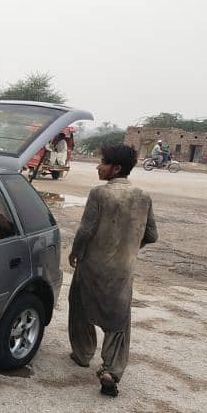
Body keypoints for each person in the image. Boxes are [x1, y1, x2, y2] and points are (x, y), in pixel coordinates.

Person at [67, 144, 158, 397]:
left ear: (116, 168)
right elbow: (152, 234)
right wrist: (130, 246)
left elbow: (86, 230)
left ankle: (83, 353)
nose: (98, 166)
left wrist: (75, 252)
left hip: (92, 266)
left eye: (103, 162)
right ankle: (111, 371)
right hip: (122, 270)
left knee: (80, 306)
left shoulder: (99, 194)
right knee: (119, 320)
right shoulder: (143, 196)